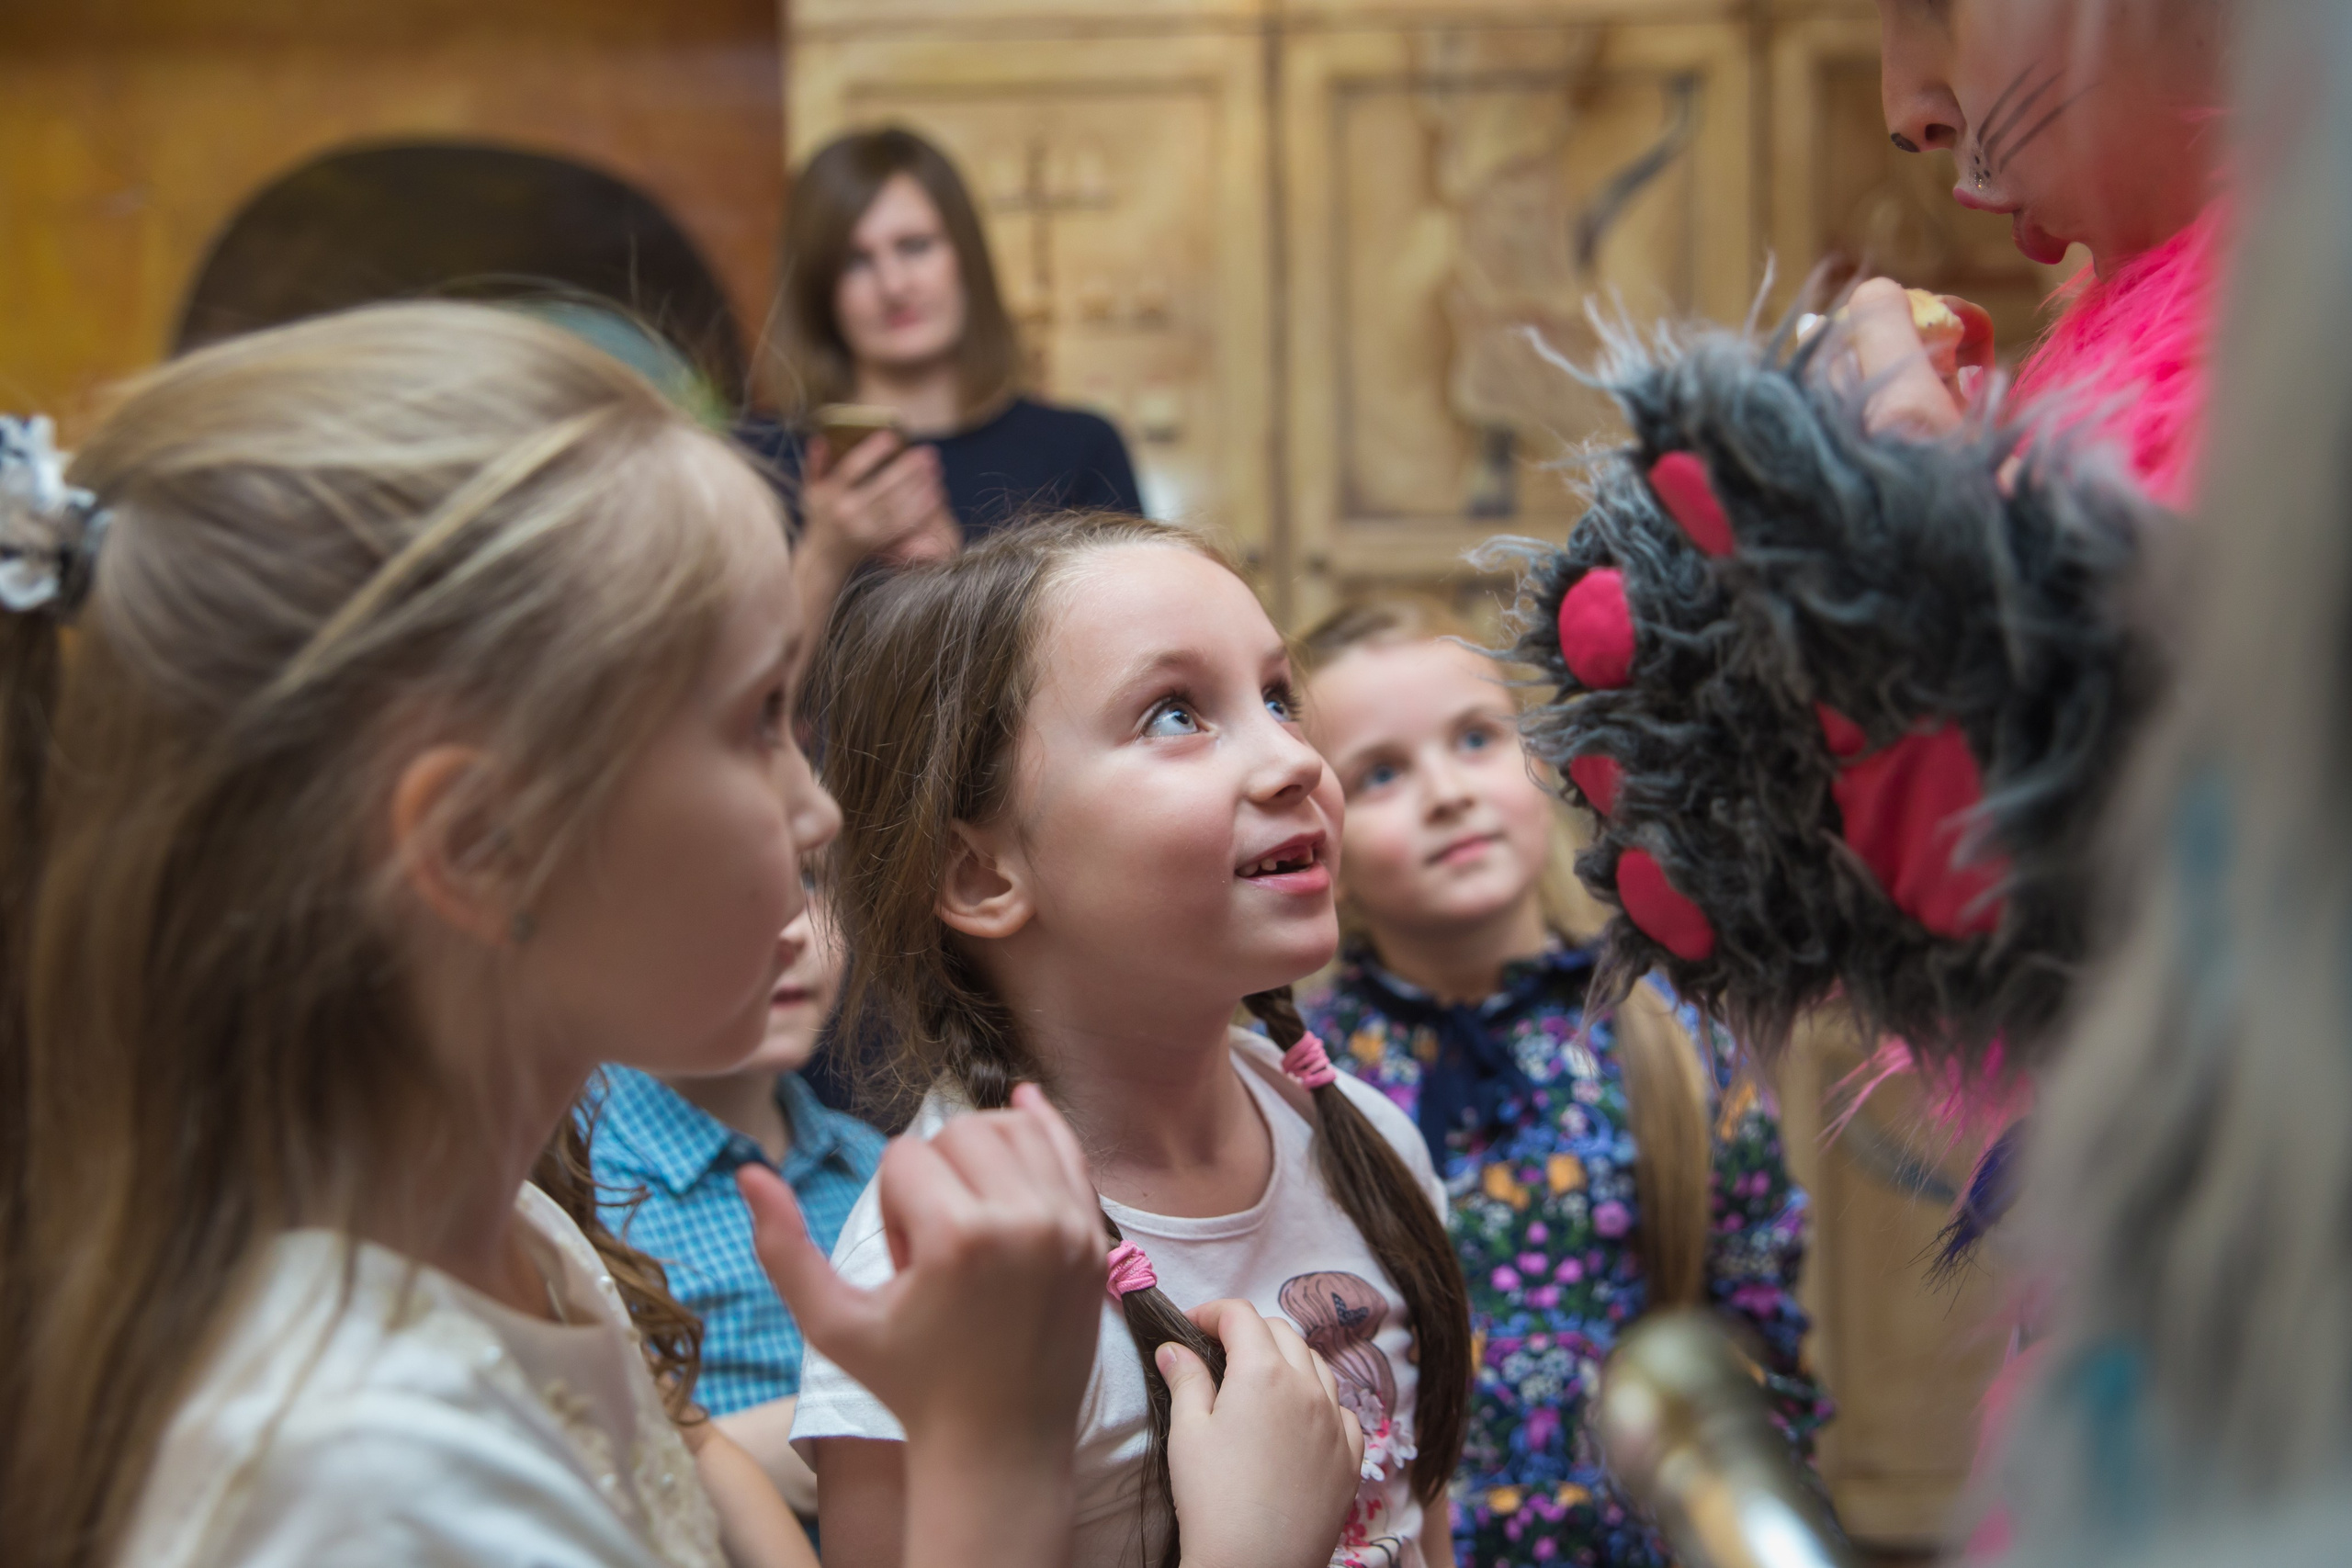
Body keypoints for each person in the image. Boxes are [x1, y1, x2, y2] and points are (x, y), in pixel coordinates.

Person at [0, 305, 1158, 1568]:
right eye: (761, 716)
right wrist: (998, 1442)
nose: (817, 808)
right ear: (483, 842)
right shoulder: (372, 1482)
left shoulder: (530, 1243)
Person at [793, 513, 1470, 1568]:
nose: (1293, 758)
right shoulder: (939, 1265)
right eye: (1174, 715)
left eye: (1279, 698)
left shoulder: (1366, 1143)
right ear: (981, 874)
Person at [1294, 599, 1831, 1568]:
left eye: (1474, 739)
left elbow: (1760, 1344)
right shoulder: (1305, 1088)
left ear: (1539, 764)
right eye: (1379, 773)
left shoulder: (1672, 1040)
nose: (1446, 793)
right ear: (1317, 847)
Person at [753, 126, 1143, 637]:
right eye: (856, 261)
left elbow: (1127, 665)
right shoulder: (759, 461)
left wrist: (950, 571)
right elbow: (729, 704)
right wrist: (825, 555)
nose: (894, 286)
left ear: (964, 256)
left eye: (915, 247)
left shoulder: (1078, 450)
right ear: (819, 288)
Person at [591, 886, 882, 1517]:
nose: (790, 930)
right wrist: (738, 1460)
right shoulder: (568, 1184)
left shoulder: (879, 1167)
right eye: (733, 879)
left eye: (810, 877)